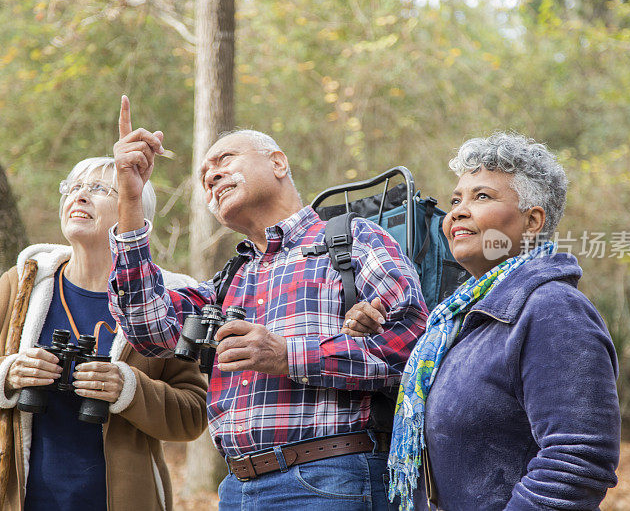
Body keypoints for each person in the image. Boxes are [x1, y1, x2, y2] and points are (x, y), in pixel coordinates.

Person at [108, 95, 429, 510]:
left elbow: (411, 345)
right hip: (237, 488)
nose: (211, 176)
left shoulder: (353, 241)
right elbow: (148, 326)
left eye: (224, 159)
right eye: (205, 175)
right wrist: (130, 201)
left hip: (332, 479)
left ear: (278, 163)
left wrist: (287, 355)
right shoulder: (229, 280)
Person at [0, 156, 208, 511]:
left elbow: (192, 415)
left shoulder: (164, 302)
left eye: (98, 189)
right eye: (73, 187)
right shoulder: (23, 287)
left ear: (134, 212)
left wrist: (128, 388)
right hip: (19, 499)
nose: (79, 197)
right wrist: (9, 373)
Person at [373, 132, 620, 510]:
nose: (457, 210)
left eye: (481, 196)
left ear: (533, 220)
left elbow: (578, 458)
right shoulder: (454, 322)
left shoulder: (552, 310)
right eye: (456, 199)